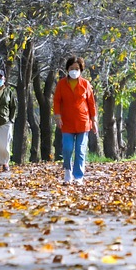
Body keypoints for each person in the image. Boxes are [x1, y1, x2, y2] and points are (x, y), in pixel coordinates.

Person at [52, 55, 96, 184]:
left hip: (83, 122)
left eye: (77, 68)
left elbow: (91, 103)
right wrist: (57, 116)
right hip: (67, 122)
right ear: (67, 69)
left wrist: (94, 121)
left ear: (81, 70)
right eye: (72, 68)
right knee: (67, 148)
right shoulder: (61, 84)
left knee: (80, 150)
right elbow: (56, 101)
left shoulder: (85, 84)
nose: (74, 70)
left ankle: (78, 176)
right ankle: (67, 171)